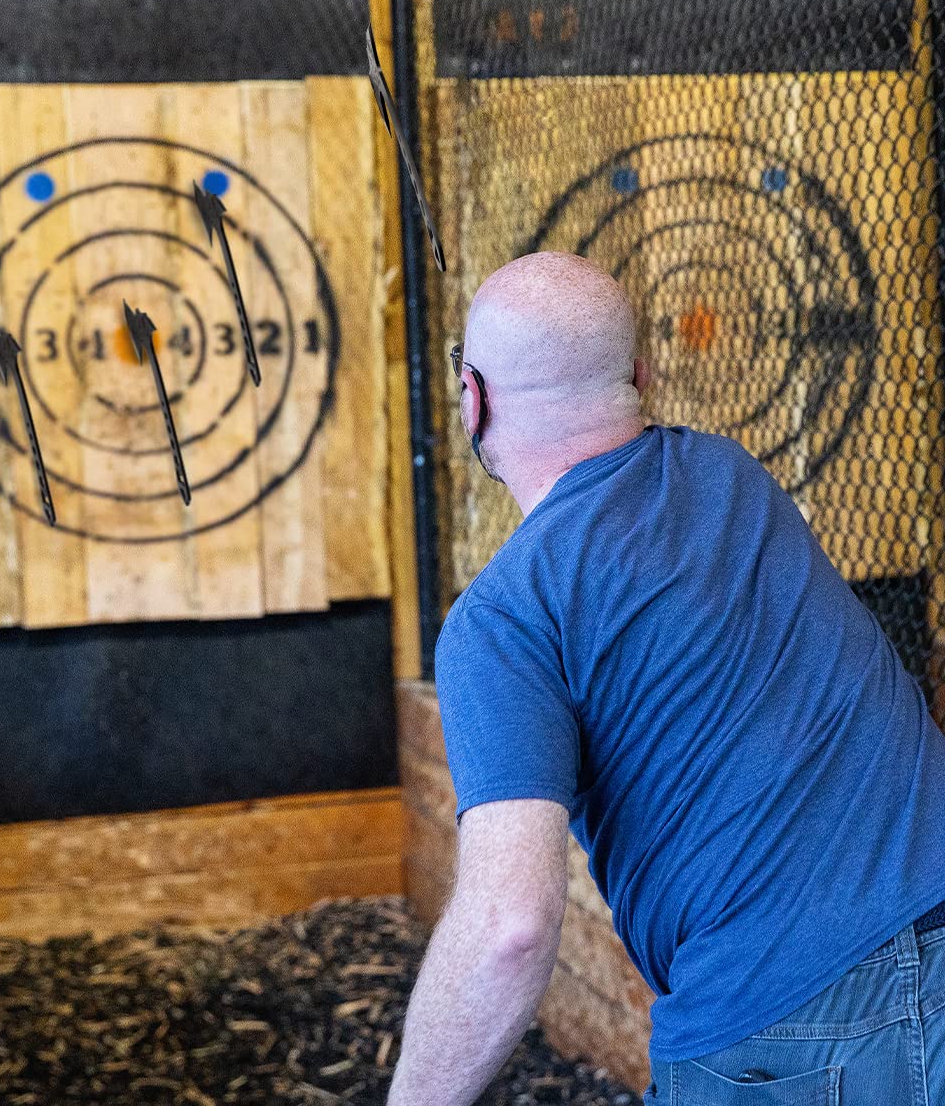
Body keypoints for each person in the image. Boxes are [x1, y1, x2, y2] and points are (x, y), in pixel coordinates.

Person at [386, 252, 945, 1105]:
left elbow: (509, 929)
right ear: (641, 378)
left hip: (787, 1024)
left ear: (472, 397)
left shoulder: (499, 620)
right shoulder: (732, 475)